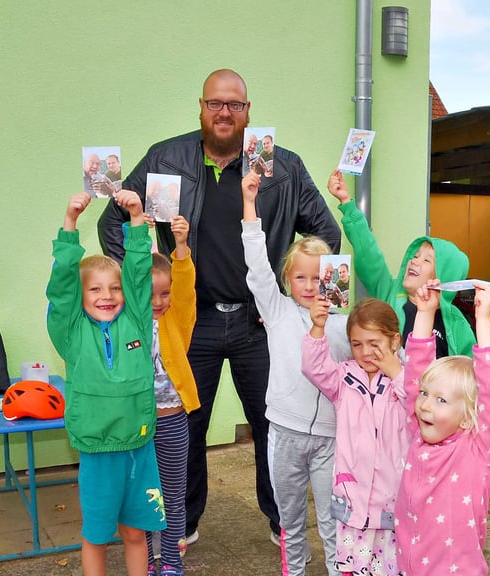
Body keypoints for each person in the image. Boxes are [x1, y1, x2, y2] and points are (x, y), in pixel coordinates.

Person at [96, 68, 342, 545]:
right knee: (185, 425)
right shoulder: (164, 159)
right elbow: (112, 224)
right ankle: (182, 525)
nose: (225, 113)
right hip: (190, 321)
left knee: (274, 426)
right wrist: (146, 285)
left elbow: (324, 235)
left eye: (235, 104)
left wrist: (295, 296)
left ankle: (282, 524)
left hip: (260, 322)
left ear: (249, 111)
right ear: (202, 107)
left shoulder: (281, 167)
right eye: (215, 104)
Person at [47, 191, 165, 576]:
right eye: (95, 289)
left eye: (113, 288)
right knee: (96, 535)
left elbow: (136, 274)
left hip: (139, 444)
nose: (107, 295)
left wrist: (135, 218)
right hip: (98, 451)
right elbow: (61, 288)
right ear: (81, 297)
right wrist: (70, 223)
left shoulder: (136, 323)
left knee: (135, 532)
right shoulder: (70, 332)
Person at [242, 170, 349, 575]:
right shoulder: (277, 310)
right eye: (300, 277)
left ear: (334, 277)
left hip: (330, 437)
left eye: (318, 277)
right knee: (289, 520)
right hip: (283, 432)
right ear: (287, 280)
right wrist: (250, 205)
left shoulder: (344, 323)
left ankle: (341, 568)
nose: (309, 286)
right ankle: (296, 569)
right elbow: (256, 265)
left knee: (333, 518)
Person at [395, 281, 490, 576]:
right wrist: (425, 313)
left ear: (466, 418)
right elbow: (414, 376)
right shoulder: (419, 435)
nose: (424, 406)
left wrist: (484, 320)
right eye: (425, 394)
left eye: (441, 400)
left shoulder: (479, 452)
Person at [302, 297, 407, 576]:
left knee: (390, 567)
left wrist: (396, 372)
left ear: (394, 340)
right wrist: (317, 327)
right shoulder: (344, 378)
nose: (365, 352)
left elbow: (420, 409)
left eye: (374, 343)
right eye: (357, 344)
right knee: (354, 567)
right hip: (354, 501)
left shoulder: (406, 380)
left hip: (392, 500)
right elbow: (314, 367)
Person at [327, 169, 475, 358]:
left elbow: (471, 368)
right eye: (415, 255)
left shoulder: (455, 322)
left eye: (426, 260)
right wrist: (346, 203)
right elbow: (368, 252)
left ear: (442, 277)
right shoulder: (389, 294)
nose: (415, 260)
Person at [146, 215, 199, 576]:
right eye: (151, 295)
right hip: (139, 424)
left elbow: (184, 289)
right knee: (145, 497)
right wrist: (141, 233)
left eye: (164, 294)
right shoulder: (126, 323)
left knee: (174, 497)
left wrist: (180, 248)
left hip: (174, 420)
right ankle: (147, 559)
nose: (160, 301)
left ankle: (171, 560)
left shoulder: (175, 319)